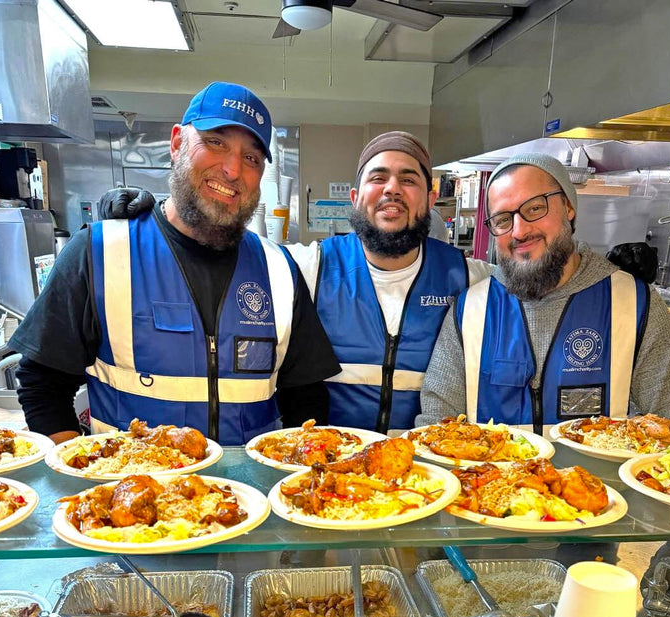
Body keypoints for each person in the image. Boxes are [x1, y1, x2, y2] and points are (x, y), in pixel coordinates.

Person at [11, 81, 341, 445]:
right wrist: (75, 475)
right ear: (177, 143)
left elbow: (306, 397)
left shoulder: (279, 271)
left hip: (246, 497)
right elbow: (43, 383)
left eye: (251, 158)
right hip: (128, 493)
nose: (232, 170)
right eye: (215, 142)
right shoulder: (99, 253)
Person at [101, 132, 491, 434]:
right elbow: (225, 247)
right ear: (355, 198)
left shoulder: (471, 279)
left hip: (429, 479)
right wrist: (157, 218)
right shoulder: (309, 266)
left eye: (408, 179)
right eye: (378, 177)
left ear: (431, 196)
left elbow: (535, 279)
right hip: (331, 481)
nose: (392, 188)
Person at [419, 153, 670, 434]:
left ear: (568, 207)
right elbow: (433, 430)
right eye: (503, 219)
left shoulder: (634, 303)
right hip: (490, 480)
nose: (519, 231)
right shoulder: (470, 310)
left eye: (534, 209)